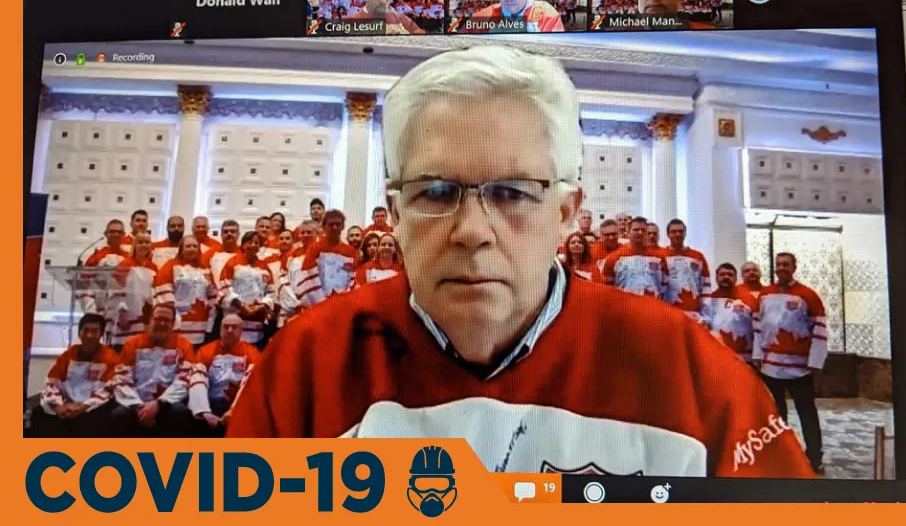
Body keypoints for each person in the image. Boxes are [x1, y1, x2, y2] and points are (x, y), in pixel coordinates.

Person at [228, 45, 815, 479]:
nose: (472, 232)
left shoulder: (688, 368)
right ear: (397, 213)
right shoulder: (306, 362)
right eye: (436, 191)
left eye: (512, 193)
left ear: (566, 214)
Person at [753, 252, 828, 474]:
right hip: (770, 368)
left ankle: (815, 457)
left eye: (786, 264)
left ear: (794, 267)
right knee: (775, 416)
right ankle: (778, 455)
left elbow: (819, 330)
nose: (781, 268)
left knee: (807, 415)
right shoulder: (765, 294)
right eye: (778, 264)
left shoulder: (808, 295)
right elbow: (758, 328)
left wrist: (815, 362)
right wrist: (758, 355)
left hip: (799, 370)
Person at [111, 305, 197, 437]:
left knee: (180, 411)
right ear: (150, 320)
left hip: (167, 403)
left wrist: (159, 404)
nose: (162, 323)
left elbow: (183, 381)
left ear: (173, 323)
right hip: (136, 404)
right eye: (158, 319)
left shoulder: (184, 345)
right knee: (118, 414)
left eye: (166, 320)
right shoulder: (132, 344)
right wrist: (139, 407)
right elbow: (121, 381)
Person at [29, 314, 119, 437]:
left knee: (93, 421)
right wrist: (58, 406)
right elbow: (52, 383)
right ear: (79, 333)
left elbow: (108, 390)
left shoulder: (111, 358)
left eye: (94, 331)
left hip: (92, 407)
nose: (89, 335)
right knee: (38, 413)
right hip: (66, 405)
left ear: (101, 334)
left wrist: (82, 407)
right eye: (85, 331)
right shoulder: (68, 355)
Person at [188, 314, 260, 437]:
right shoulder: (205, 351)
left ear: (241, 331)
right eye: (226, 327)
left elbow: (252, 384)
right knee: (197, 370)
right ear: (220, 329)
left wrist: (233, 410)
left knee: (254, 375)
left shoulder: (252, 352)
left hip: (240, 407)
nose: (230, 330)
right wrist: (204, 411)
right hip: (210, 405)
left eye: (234, 327)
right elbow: (197, 381)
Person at [154, 235, 219, 347]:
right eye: (188, 246)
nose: (192, 249)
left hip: (200, 325)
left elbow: (212, 296)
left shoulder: (205, 269)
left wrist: (210, 322)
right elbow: (163, 291)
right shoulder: (170, 266)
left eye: (195, 246)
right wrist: (174, 314)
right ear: (181, 249)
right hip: (178, 324)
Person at [220, 231, 275, 347]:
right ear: (243, 245)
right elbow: (225, 287)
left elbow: (271, 291)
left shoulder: (264, 267)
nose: (253, 245)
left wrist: (262, 305)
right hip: (235, 316)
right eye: (250, 242)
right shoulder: (232, 263)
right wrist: (241, 305)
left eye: (256, 243)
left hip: (257, 320)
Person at [297, 209, 361, 307]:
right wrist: (321, 301)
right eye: (331, 225)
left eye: (338, 224)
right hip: (319, 302)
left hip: (343, 302)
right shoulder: (315, 248)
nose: (335, 227)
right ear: (324, 227)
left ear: (343, 226)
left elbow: (353, 277)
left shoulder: (351, 251)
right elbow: (307, 276)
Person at [108, 233, 159, 348]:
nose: (144, 245)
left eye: (147, 242)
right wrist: (122, 314)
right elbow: (116, 292)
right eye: (140, 242)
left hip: (146, 316)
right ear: (134, 246)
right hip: (126, 317)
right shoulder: (125, 264)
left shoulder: (153, 267)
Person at [702, 263, 759, 363]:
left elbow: (758, 328)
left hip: (744, 358)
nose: (726, 277)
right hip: (718, 355)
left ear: (736, 278)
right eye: (722, 274)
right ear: (716, 278)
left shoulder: (749, 298)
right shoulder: (709, 300)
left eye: (730, 274)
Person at [602, 217, 669, 298]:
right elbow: (608, 290)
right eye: (636, 230)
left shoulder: (659, 258)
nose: (640, 232)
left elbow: (665, 286)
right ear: (628, 232)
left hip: (653, 303)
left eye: (643, 230)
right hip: (626, 304)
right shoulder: (614, 258)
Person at [662, 219, 711, 321]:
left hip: (694, 313)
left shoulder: (698, 256)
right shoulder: (662, 256)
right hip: (670, 312)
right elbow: (659, 286)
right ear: (668, 234)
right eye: (674, 232)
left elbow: (706, 286)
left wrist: (705, 313)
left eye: (681, 231)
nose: (678, 234)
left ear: (685, 233)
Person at [81, 219, 130, 314]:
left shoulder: (128, 257)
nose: (116, 234)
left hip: (119, 310)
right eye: (112, 231)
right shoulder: (96, 256)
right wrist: (90, 310)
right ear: (105, 234)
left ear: (124, 235)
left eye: (119, 232)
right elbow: (84, 283)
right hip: (98, 308)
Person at [203, 220, 242, 292]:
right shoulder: (210, 253)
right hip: (216, 295)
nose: (229, 234)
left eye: (233, 231)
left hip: (240, 295)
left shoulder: (244, 253)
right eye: (225, 232)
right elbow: (204, 274)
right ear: (221, 234)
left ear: (238, 234)